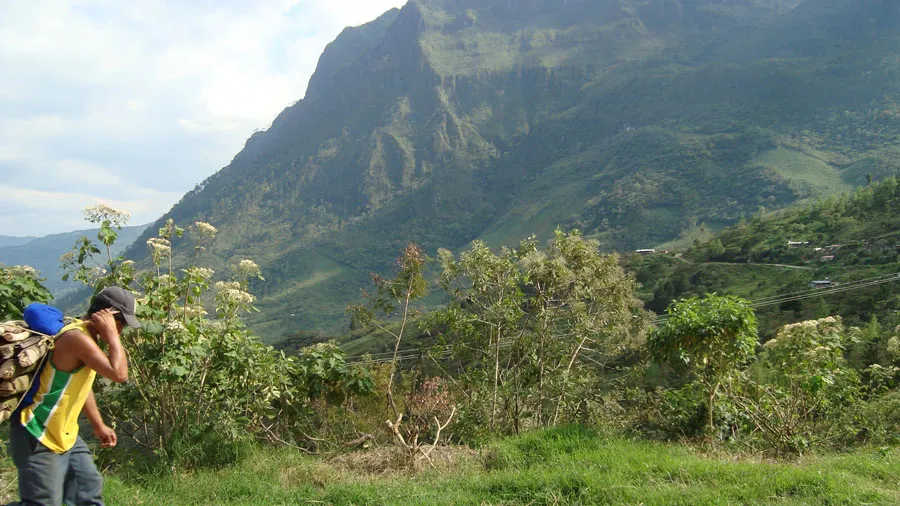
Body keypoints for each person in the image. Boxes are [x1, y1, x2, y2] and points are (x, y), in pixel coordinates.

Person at [7, 286, 140, 506]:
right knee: (42, 503)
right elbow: (120, 374)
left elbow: (78, 385)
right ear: (108, 315)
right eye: (122, 323)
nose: (122, 330)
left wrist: (98, 425)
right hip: (38, 431)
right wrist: (112, 337)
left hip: (65, 433)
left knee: (87, 492)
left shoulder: (88, 337)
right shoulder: (75, 338)